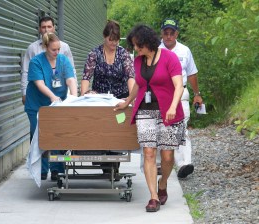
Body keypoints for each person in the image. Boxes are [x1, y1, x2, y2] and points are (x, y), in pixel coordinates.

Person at [115, 25, 186, 212]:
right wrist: (128, 101)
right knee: (148, 152)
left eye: (139, 46)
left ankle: (162, 184)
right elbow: (139, 84)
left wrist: (172, 106)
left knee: (168, 156)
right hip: (145, 111)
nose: (136, 50)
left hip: (168, 111)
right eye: (134, 47)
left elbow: (179, 86)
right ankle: (154, 197)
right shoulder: (138, 61)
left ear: (148, 43)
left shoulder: (169, 57)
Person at [21, 16, 76, 181]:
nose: (57, 52)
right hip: (37, 104)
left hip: (57, 104)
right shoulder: (36, 62)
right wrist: (54, 97)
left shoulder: (63, 59)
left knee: (58, 133)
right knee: (40, 134)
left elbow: (71, 79)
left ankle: (57, 169)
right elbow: (40, 84)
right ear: (45, 47)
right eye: (54, 50)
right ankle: (42, 169)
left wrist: (73, 97)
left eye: (59, 49)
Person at [81, 20, 135, 177]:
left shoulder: (123, 54)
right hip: (100, 100)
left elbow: (130, 76)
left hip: (119, 100)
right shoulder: (94, 54)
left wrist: (131, 99)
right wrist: (84, 95)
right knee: (102, 130)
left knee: (117, 130)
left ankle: (113, 163)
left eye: (117, 39)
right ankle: (105, 162)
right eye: (111, 39)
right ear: (104, 37)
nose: (114, 42)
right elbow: (86, 76)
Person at [159, 18, 203, 178]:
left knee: (182, 128)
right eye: (166, 33)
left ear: (177, 33)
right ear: (161, 33)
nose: (169, 36)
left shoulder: (185, 50)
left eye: (172, 33)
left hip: (182, 93)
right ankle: (169, 161)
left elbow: (192, 73)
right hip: (163, 95)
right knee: (165, 130)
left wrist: (197, 94)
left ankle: (185, 163)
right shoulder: (155, 50)